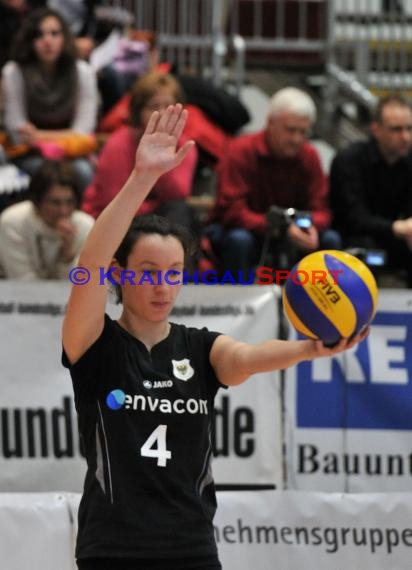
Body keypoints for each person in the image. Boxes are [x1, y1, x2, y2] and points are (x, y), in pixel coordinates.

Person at [61, 103, 368, 570]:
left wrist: (309, 348)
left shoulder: (199, 348)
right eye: (148, 272)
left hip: (192, 549)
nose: (163, 285)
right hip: (113, 550)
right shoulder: (95, 344)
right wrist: (142, 178)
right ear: (119, 275)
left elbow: (247, 357)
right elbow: (89, 266)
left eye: (174, 273)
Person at [205, 87, 339, 281]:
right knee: (239, 240)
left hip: (292, 232)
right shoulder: (240, 150)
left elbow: (321, 210)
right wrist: (279, 228)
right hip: (248, 232)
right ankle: (236, 305)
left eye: (303, 132)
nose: (296, 139)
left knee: (329, 239)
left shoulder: (309, 156)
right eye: (290, 130)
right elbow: (232, 212)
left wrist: (308, 227)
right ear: (270, 123)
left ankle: (322, 307)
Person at [81, 71, 198, 229]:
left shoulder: (185, 145)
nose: (163, 113)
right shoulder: (118, 144)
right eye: (153, 107)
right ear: (138, 111)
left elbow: (178, 194)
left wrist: (163, 162)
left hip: (158, 218)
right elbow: (114, 201)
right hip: (110, 221)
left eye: (169, 107)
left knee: (179, 210)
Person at [1, 7, 98, 192]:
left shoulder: (82, 71)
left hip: (72, 153)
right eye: (39, 35)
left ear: (65, 38)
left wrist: (38, 135)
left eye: (54, 33)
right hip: (30, 154)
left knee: (83, 171)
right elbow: (17, 131)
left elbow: (84, 131)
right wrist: (61, 137)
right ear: (29, 41)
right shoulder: (13, 71)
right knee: (42, 172)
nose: (48, 41)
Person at [329, 94, 412, 286]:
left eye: (409, 128)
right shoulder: (349, 160)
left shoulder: (409, 161)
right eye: (396, 130)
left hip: (396, 237)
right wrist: (396, 228)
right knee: (366, 248)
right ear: (376, 129)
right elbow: (354, 218)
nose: (405, 137)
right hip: (354, 236)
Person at [0, 159, 94, 279]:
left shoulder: (85, 226)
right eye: (55, 203)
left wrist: (67, 256)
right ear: (37, 201)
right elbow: (22, 282)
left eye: (70, 202)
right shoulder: (13, 222)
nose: (63, 211)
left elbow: (78, 286)